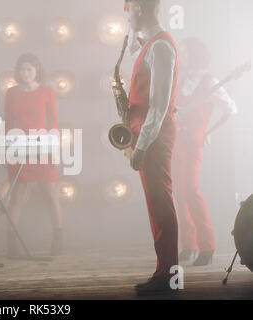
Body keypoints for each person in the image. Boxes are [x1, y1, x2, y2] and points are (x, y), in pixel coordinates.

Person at [124, 0, 179, 294]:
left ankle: (169, 279)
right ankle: (165, 274)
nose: (126, 14)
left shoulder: (160, 48)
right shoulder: (152, 46)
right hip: (149, 135)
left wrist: (142, 146)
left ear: (142, 10)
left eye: (129, 9)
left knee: (162, 207)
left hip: (154, 138)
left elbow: (158, 107)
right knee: (157, 207)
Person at [172, 37, 237, 266]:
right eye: (182, 52)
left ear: (196, 54)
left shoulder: (210, 81)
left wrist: (209, 132)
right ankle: (189, 245)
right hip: (176, 142)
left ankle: (207, 246)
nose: (183, 56)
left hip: (192, 143)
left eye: (186, 52)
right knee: (179, 194)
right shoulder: (179, 81)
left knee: (191, 190)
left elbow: (231, 109)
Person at [4, 53, 62, 257]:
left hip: (42, 146)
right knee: (17, 196)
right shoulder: (11, 93)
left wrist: (54, 150)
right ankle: (11, 244)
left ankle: (57, 239)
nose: (25, 73)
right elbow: (8, 124)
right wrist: (8, 150)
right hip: (18, 147)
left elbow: (53, 123)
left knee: (50, 193)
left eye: (29, 69)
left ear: (36, 70)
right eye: (21, 69)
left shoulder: (47, 92)